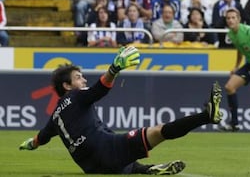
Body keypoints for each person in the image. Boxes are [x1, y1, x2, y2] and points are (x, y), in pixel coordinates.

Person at [19, 46, 223, 175]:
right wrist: (114, 69)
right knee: (157, 132)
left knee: (127, 162)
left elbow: (41, 138)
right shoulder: (76, 95)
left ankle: (147, 170)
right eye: (79, 77)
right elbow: (100, 88)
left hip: (90, 167)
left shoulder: (54, 116)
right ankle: (206, 115)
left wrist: (30, 144)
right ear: (67, 86)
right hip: (105, 149)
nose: (83, 80)